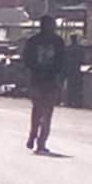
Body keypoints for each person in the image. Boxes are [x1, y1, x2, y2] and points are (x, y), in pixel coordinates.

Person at [22, 14, 66, 154]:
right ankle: (34, 135)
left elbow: (62, 62)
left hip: (49, 80)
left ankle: (40, 141)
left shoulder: (57, 42)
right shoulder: (35, 41)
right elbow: (27, 61)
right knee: (40, 110)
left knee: (45, 112)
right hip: (39, 80)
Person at [64, 34, 85, 108]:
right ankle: (75, 102)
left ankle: (69, 101)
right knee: (76, 87)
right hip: (77, 70)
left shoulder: (67, 48)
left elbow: (64, 59)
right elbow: (83, 60)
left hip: (69, 70)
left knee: (70, 86)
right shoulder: (80, 49)